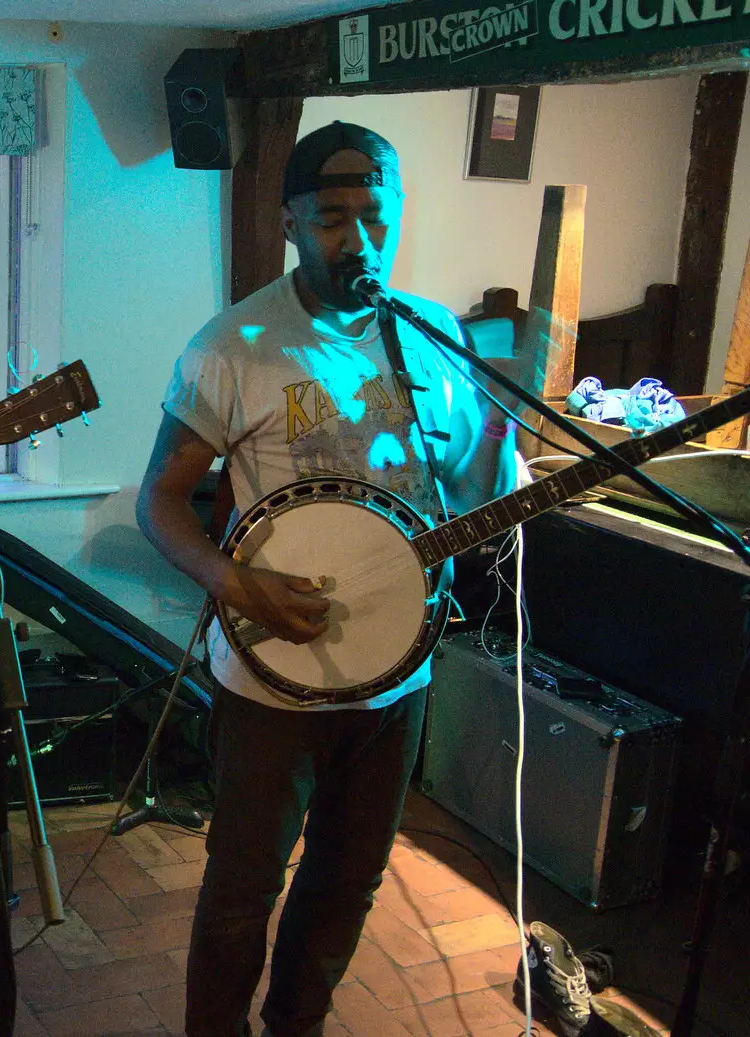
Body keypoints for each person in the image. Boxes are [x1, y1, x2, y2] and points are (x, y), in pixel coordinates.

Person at [136, 122, 521, 1037]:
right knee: (243, 887)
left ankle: (296, 1025)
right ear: (291, 222)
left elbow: (469, 492)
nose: (358, 240)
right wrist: (236, 583)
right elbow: (162, 503)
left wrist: (504, 441)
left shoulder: (432, 338)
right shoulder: (236, 346)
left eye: (375, 219)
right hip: (276, 675)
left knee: (350, 879)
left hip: (400, 671)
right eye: (334, 218)